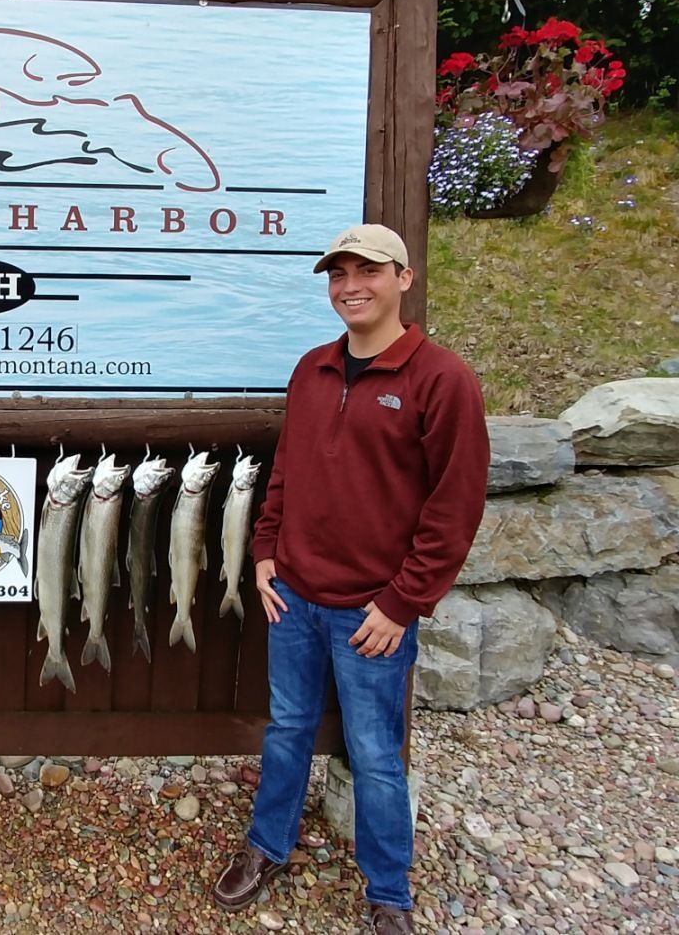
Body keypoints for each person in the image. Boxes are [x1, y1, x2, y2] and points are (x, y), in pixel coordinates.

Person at [211, 224, 489, 933]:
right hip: (294, 598)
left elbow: (454, 505)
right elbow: (287, 473)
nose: (350, 285)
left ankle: (388, 891)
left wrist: (403, 602)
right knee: (288, 730)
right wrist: (266, 550)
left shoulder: (441, 379)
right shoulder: (312, 369)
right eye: (338, 273)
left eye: (368, 270)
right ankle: (267, 847)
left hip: (372, 613)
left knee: (375, 754)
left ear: (404, 279)